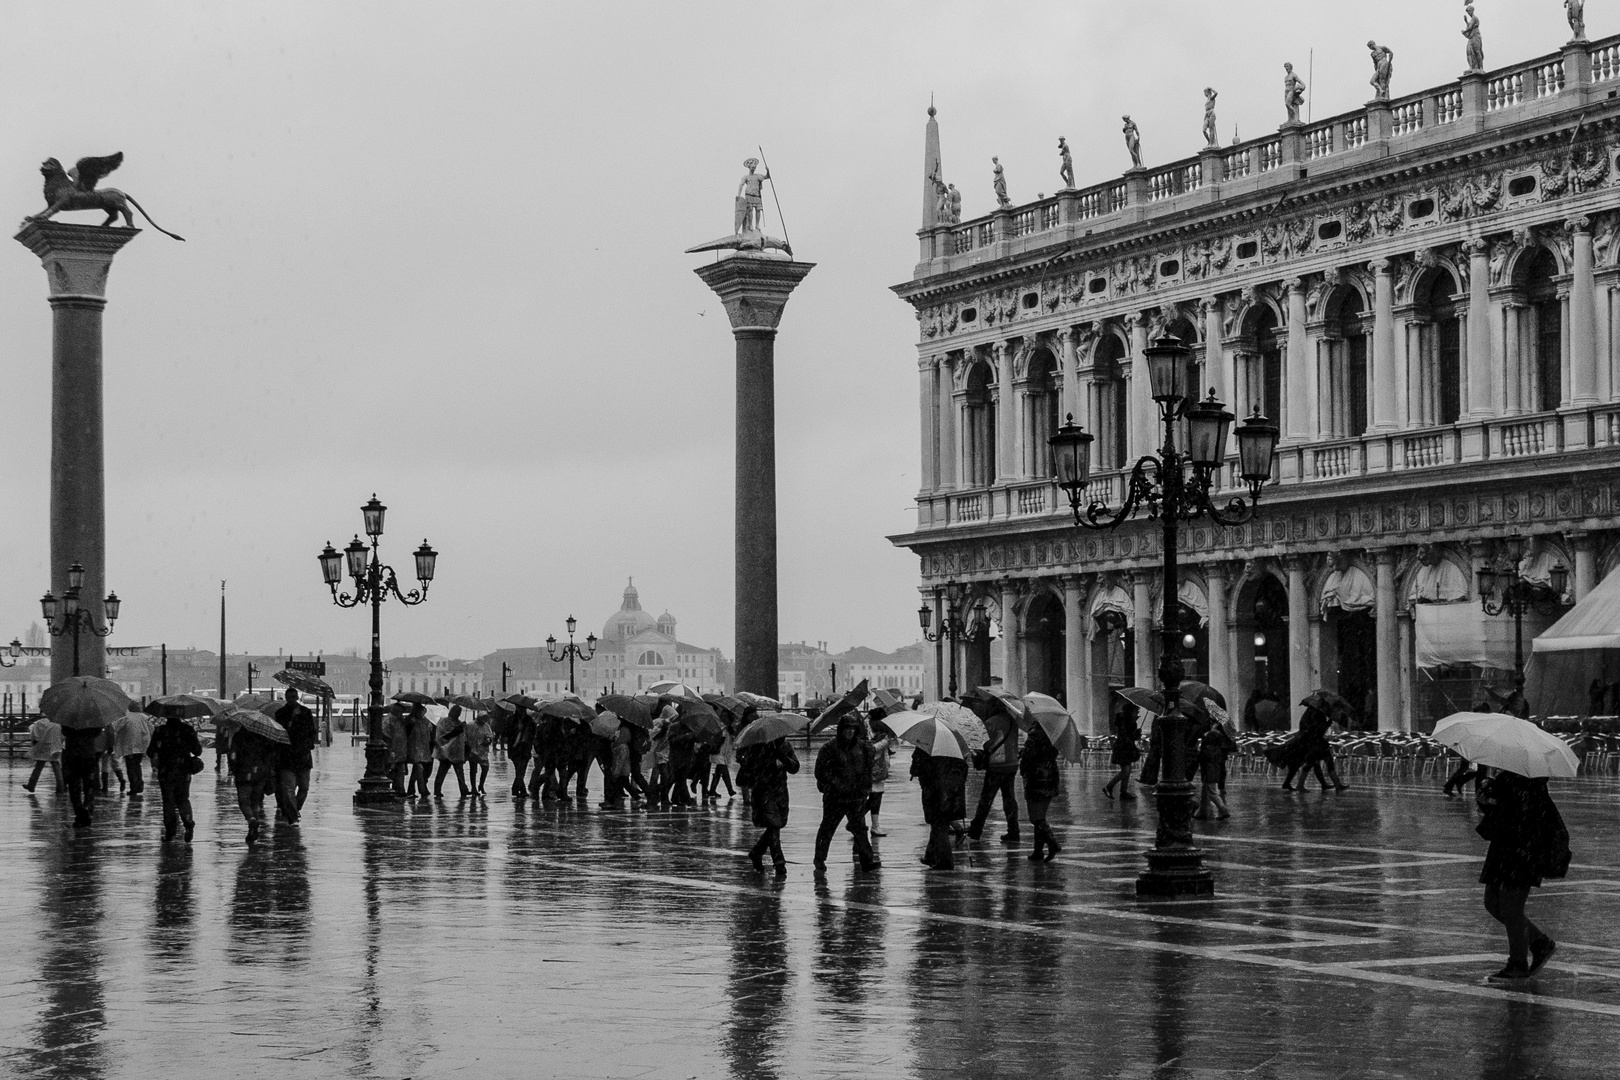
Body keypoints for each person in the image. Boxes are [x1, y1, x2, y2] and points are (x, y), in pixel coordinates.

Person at [1476, 769, 1566, 980]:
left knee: (1511, 907)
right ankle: (1540, 943)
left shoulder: (1530, 782)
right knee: (1493, 903)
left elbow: (1523, 815)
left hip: (1522, 851)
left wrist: (1494, 800)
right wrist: (1487, 800)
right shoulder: (1507, 778)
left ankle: (1517, 963)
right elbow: (1502, 812)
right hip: (1503, 848)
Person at [813, 714, 879, 871]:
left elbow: (866, 769)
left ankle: (867, 860)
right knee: (828, 828)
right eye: (847, 729)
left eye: (853, 729)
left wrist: (864, 788)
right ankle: (819, 859)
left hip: (856, 797)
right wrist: (836, 783)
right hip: (835, 797)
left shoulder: (862, 747)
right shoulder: (829, 748)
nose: (850, 732)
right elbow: (820, 772)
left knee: (860, 830)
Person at [738, 734, 798, 873]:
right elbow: (749, 768)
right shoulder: (757, 747)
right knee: (773, 824)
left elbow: (794, 767)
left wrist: (782, 756)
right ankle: (778, 861)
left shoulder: (786, 747)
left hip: (781, 791)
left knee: (778, 823)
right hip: (764, 791)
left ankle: (757, 852)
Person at [967, 695, 1021, 843]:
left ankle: (976, 830)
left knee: (986, 799)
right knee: (1009, 798)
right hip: (1011, 764)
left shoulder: (991, 722)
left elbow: (984, 743)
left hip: (997, 765)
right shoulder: (1012, 721)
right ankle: (1013, 830)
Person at [146, 708, 203, 842]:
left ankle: (170, 831)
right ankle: (188, 822)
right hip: (184, 771)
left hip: (166, 770)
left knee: (168, 801)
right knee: (183, 799)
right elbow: (198, 751)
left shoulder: (160, 731)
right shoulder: (188, 730)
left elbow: (150, 752)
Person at [913, 746, 968, 870]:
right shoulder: (957, 750)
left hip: (935, 793)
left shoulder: (925, 747)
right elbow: (964, 771)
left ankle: (945, 861)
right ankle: (931, 855)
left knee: (939, 826)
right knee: (939, 824)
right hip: (953, 793)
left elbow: (915, 769)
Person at [275, 689, 319, 824]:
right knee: (288, 789)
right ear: (286, 698)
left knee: (304, 787)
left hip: (303, 756)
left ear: (298, 697)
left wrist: (309, 745)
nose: (292, 699)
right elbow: (280, 733)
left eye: (294, 696)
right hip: (287, 756)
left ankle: (295, 808)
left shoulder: (305, 712)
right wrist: (292, 720)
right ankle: (292, 816)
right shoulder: (280, 713)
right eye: (289, 697)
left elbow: (312, 731)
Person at [1020, 724, 1063, 862]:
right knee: (1041, 816)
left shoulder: (1035, 734)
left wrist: (1023, 767)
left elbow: (1029, 755)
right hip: (1051, 774)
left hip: (1037, 776)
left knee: (1035, 817)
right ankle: (1037, 851)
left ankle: (1052, 842)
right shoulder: (1055, 732)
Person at [231, 724, 277, 845]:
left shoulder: (239, 736)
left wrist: (234, 769)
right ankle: (253, 829)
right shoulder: (264, 736)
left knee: (244, 802)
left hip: (243, 772)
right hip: (261, 773)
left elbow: (233, 755)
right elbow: (270, 754)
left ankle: (251, 820)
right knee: (255, 802)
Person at [62, 725, 104, 828]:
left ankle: (79, 812)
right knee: (88, 785)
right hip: (88, 755)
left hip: (72, 756)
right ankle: (87, 807)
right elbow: (97, 732)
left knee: (74, 786)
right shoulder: (93, 721)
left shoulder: (68, 720)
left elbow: (64, 732)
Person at [1194, 717, 1235, 821]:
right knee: (1205, 792)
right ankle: (1202, 812)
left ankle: (1223, 810)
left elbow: (1201, 757)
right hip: (1212, 772)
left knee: (1212, 793)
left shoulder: (1208, 749)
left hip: (1209, 773)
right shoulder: (1217, 749)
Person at [1103, 702, 1140, 800]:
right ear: (1131, 711)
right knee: (1125, 771)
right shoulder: (1125, 721)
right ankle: (1109, 787)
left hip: (1127, 748)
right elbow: (1125, 736)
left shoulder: (1130, 721)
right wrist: (1134, 734)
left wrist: (1136, 734)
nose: (1137, 713)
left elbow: (1131, 736)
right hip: (1123, 748)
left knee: (1127, 770)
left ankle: (1123, 792)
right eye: (1136, 711)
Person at [433, 704, 470, 798]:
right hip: (446, 750)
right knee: (442, 771)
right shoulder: (445, 722)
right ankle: (437, 790)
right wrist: (460, 728)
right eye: (458, 712)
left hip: (457, 752)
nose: (459, 714)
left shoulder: (459, 722)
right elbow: (447, 735)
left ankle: (463, 789)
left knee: (460, 772)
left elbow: (463, 738)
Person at [21, 714, 63, 794]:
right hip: (55, 747)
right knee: (57, 768)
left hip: (42, 747)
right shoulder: (58, 723)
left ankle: (31, 785)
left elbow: (34, 736)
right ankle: (60, 788)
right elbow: (62, 736)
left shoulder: (39, 723)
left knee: (38, 767)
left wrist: (34, 746)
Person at [116, 709, 153, 798]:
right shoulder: (144, 717)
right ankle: (139, 785)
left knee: (131, 767)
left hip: (130, 747)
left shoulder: (125, 717)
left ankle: (134, 787)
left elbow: (116, 728)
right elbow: (152, 728)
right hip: (141, 746)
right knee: (137, 765)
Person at [867, 724, 896, 837]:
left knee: (875, 798)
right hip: (875, 771)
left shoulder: (881, 737)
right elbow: (872, 750)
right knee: (875, 799)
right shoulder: (878, 737)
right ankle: (874, 825)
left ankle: (859, 821)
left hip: (878, 771)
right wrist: (884, 742)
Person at [405, 703, 434, 799]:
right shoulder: (410, 720)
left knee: (416, 770)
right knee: (419, 768)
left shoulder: (426, 721)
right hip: (414, 747)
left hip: (424, 748)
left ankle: (411, 789)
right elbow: (406, 733)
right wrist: (410, 725)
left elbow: (430, 734)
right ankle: (423, 790)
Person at [506, 705, 534, 799]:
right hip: (514, 748)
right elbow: (505, 732)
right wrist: (517, 729)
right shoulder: (511, 719)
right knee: (519, 769)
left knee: (521, 770)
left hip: (525, 748)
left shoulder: (529, 720)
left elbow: (532, 732)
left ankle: (516, 788)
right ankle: (521, 790)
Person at [464, 708, 494, 795]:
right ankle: (473, 787)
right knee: (473, 769)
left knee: (485, 768)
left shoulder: (486, 726)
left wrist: (488, 739)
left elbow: (489, 735)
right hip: (472, 750)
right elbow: (465, 736)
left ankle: (481, 785)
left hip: (482, 751)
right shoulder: (470, 725)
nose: (484, 720)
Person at [383, 703, 410, 795]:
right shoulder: (388, 720)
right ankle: (390, 789)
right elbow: (386, 736)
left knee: (400, 772)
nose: (402, 714)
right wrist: (390, 750)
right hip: (393, 752)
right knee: (390, 771)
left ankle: (400, 790)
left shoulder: (399, 720)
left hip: (400, 752)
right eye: (401, 712)